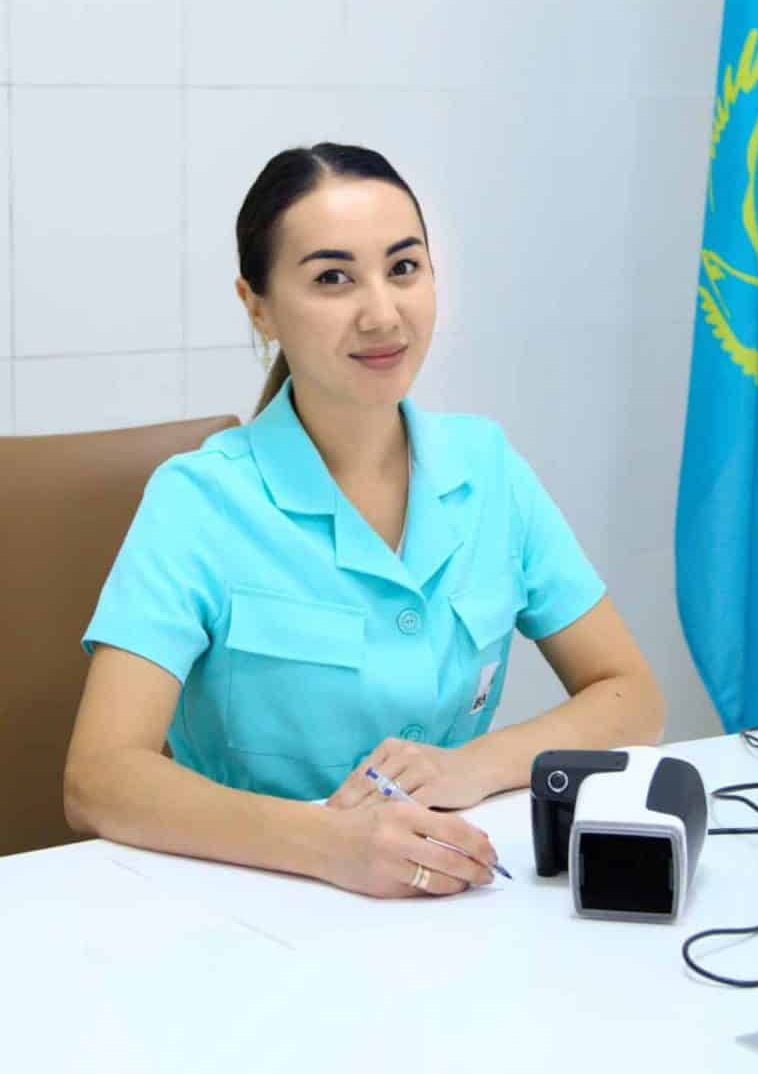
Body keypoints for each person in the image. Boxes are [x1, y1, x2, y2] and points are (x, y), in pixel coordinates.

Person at [64, 143, 665, 899]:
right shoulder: (199, 500)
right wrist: (329, 844)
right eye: (333, 278)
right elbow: (99, 778)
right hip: (247, 907)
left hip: (452, 896)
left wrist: (470, 767)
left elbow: (632, 696)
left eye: (404, 268)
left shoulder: (489, 469)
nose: (382, 314)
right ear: (257, 305)